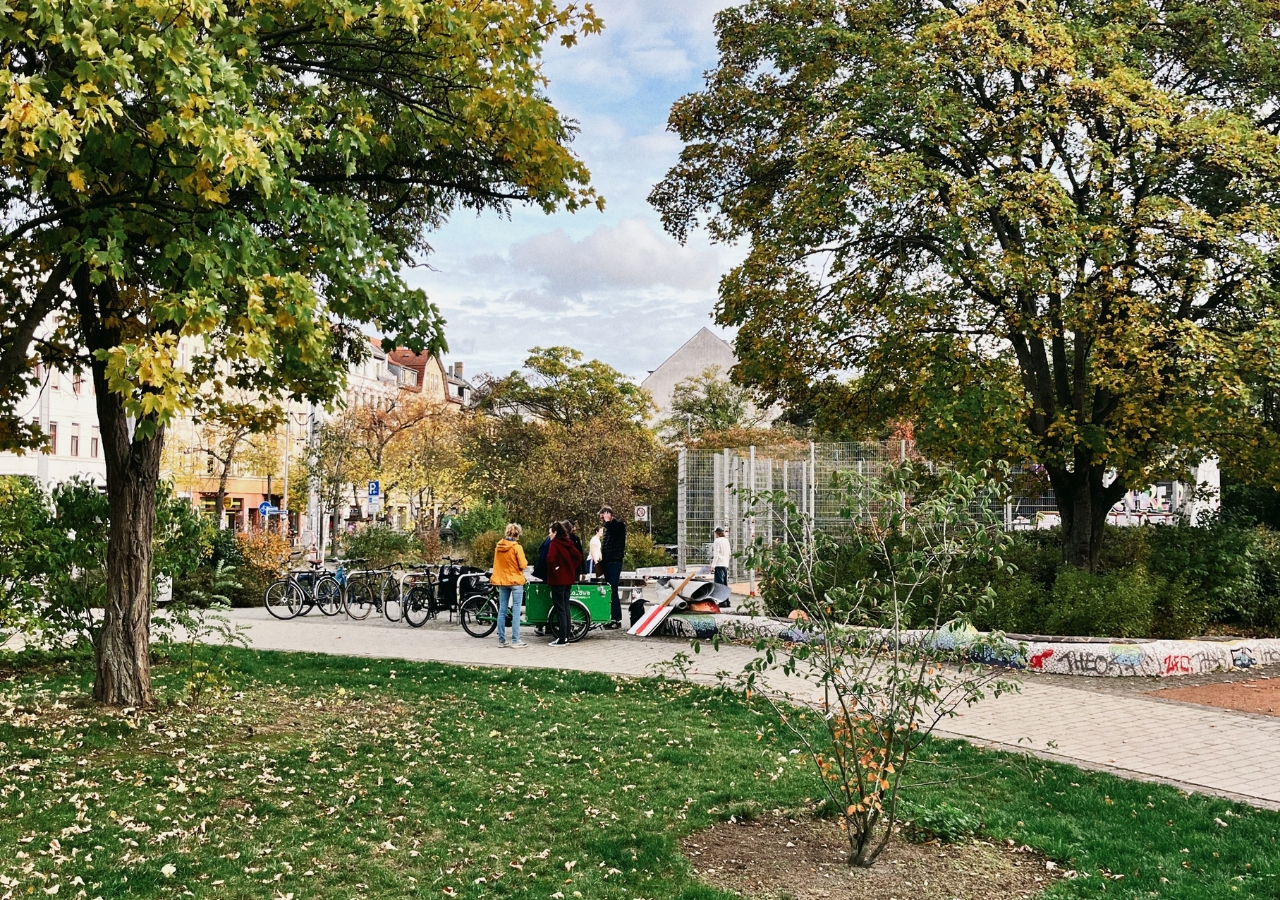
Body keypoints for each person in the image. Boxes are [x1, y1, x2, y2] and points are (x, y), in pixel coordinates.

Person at [545, 521, 583, 646]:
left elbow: (550, 559)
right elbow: (579, 557)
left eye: (550, 532)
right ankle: (566, 636)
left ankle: (562, 638)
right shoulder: (568, 543)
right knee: (566, 607)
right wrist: (570, 568)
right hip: (568, 580)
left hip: (558, 580)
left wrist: (556, 570)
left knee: (559, 608)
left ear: (555, 532)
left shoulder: (554, 544)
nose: (549, 535)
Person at [491, 523, 529, 648]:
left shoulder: (498, 547)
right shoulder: (517, 547)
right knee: (516, 610)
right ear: (517, 534)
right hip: (516, 581)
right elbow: (523, 564)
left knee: (502, 610)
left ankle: (501, 640)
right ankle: (515, 640)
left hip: (503, 581)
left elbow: (496, 564)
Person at [598, 506, 627, 628]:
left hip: (614, 561)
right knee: (609, 589)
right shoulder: (608, 528)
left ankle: (616, 619)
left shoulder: (618, 525)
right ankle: (610, 617)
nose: (602, 520)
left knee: (613, 589)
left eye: (603, 517)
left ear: (608, 514)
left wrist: (608, 521)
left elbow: (614, 532)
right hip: (607, 561)